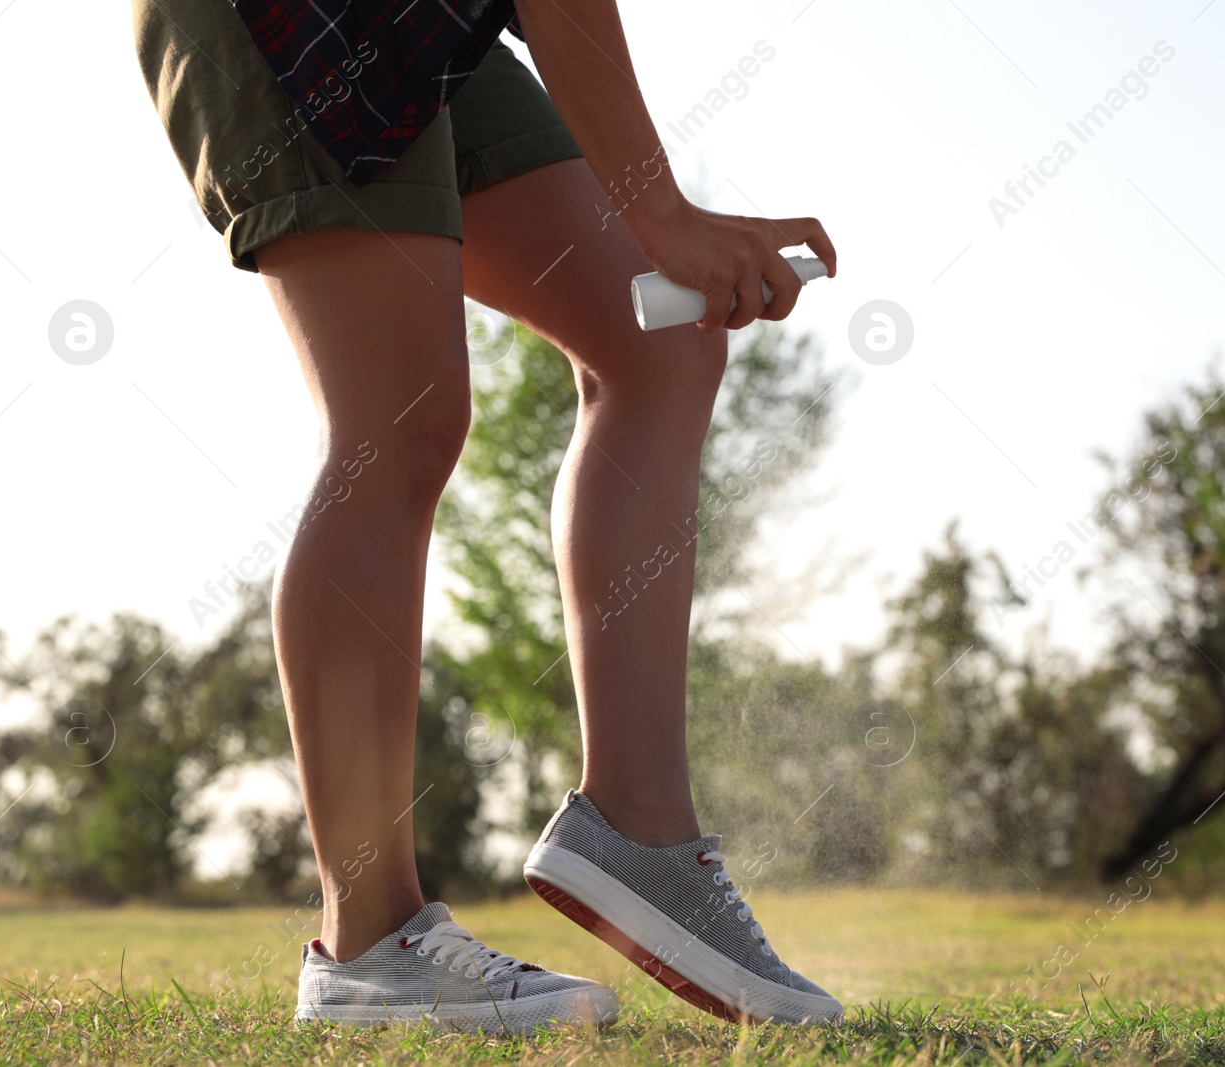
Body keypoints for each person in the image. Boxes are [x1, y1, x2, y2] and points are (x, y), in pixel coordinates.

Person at [130, 0, 840, 1032]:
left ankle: (638, 829)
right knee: (398, 416)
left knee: (661, 346)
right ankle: (368, 940)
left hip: (434, 24)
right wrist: (666, 214)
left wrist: (659, 221)